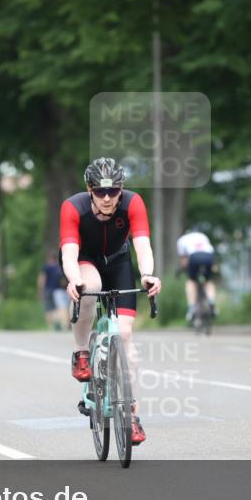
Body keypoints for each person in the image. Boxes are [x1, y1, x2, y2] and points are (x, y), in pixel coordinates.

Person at [60, 157, 162, 445]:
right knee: (90, 286)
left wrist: (148, 275)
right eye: (100, 192)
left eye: (113, 191)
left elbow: (142, 245)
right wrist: (73, 280)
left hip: (118, 261)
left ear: (122, 189)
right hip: (84, 260)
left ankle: (130, 416)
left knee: (126, 335)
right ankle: (81, 351)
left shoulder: (133, 203)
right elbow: (68, 251)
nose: (107, 198)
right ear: (89, 189)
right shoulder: (73, 207)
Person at [176, 228, 217, 322]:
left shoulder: (182, 240)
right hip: (208, 257)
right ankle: (211, 302)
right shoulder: (203, 236)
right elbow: (210, 250)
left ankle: (192, 308)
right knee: (208, 282)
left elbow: (184, 260)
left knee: (191, 282)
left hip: (194, 257)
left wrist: (182, 270)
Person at [37, 253, 68, 331]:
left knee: (49, 309)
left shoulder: (46, 267)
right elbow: (63, 281)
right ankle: (62, 323)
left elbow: (42, 279)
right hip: (58, 290)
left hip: (48, 290)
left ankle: (51, 326)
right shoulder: (59, 268)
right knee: (59, 309)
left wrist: (40, 290)